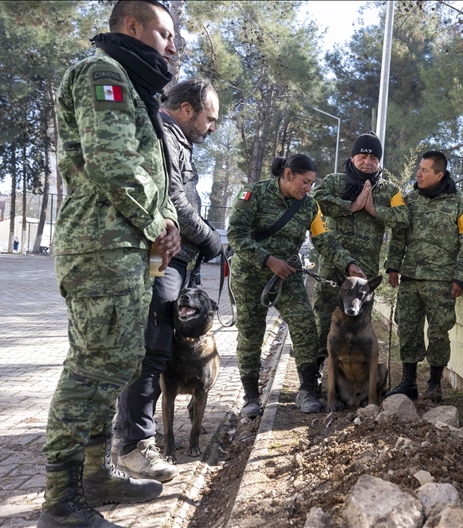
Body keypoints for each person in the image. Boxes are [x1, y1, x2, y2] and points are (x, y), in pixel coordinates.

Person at [42, 1, 180, 527]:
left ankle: (96, 476)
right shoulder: (102, 72)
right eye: (164, 34)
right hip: (102, 245)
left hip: (124, 246)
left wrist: (161, 222)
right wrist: (158, 224)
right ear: (131, 26)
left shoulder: (131, 82)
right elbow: (111, 160)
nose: (171, 46)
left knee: (116, 361)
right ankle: (60, 498)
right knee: (91, 366)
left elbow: (150, 169)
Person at [115, 78, 222, 483]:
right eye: (209, 118)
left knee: (158, 348)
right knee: (153, 351)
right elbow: (174, 199)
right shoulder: (163, 134)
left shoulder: (177, 139)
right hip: (160, 254)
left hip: (173, 254)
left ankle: (132, 435)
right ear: (187, 110)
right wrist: (211, 239)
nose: (212, 127)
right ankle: (133, 444)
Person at [227, 154, 366, 415]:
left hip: (287, 277)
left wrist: (348, 264)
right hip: (249, 276)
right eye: (305, 182)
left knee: (305, 324)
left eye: (312, 183)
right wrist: (268, 260)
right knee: (250, 334)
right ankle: (251, 397)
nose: (308, 188)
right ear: (288, 174)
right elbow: (235, 234)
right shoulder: (253, 194)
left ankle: (306, 391)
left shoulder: (310, 206)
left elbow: (324, 240)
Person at [384, 151, 463, 402]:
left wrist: (461, 277)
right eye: (418, 168)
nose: (418, 174)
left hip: (441, 282)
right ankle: (408, 383)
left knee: (438, 333)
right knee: (407, 329)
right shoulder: (410, 199)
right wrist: (393, 266)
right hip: (411, 278)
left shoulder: (460, 202)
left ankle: (434, 386)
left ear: (440, 175)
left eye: (425, 170)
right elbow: (399, 235)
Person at [310, 132, 408, 378]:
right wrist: (351, 206)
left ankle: (352, 376)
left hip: (365, 272)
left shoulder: (389, 191)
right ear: (352, 157)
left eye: (374, 157)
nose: (368, 161)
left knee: (359, 322)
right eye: (363, 155)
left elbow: (404, 219)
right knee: (324, 317)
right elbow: (317, 202)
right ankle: (317, 372)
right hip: (334, 266)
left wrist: (375, 210)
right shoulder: (334, 182)